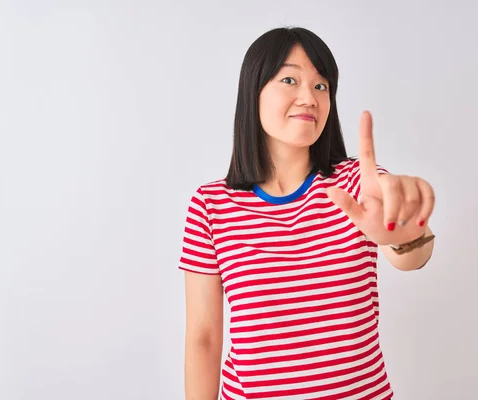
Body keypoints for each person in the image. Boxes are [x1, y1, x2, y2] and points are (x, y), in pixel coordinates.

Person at [178, 26, 436, 400]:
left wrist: (407, 237)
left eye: (321, 86)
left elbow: (413, 257)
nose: (310, 98)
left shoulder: (357, 184)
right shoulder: (211, 204)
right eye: (290, 79)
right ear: (253, 92)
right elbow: (203, 338)